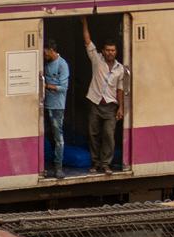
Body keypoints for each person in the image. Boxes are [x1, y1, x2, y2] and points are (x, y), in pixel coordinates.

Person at [80, 17, 126, 174]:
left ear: (116, 52)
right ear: (103, 51)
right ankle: (96, 163)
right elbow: (87, 41)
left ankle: (106, 164)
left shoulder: (120, 69)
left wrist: (120, 107)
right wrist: (85, 25)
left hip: (111, 106)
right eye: (107, 50)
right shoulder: (96, 60)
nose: (110, 53)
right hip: (95, 102)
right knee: (94, 134)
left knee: (109, 136)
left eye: (112, 50)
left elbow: (120, 89)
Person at [41, 40, 69, 178]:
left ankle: (58, 166)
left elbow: (63, 87)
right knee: (43, 134)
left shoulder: (62, 65)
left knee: (58, 137)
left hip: (57, 106)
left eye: (45, 52)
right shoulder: (46, 63)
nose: (44, 55)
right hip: (44, 105)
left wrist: (45, 86)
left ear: (51, 50)